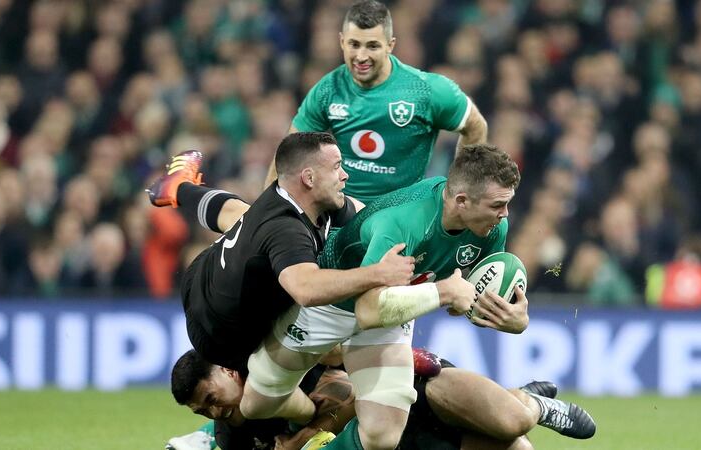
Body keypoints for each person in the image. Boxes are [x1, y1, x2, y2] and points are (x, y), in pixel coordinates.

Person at [242, 145, 595, 450]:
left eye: (507, 204)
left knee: (382, 436)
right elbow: (365, 308)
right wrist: (442, 293)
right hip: (332, 303)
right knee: (255, 405)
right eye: (498, 205)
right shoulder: (403, 222)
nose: (505, 216)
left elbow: (463, 301)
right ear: (460, 201)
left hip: (391, 310)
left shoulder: (490, 227)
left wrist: (511, 320)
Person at [146, 132, 416, 423]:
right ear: (309, 178)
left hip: (204, 275)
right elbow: (305, 289)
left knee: (244, 217)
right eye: (337, 166)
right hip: (221, 335)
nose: (345, 175)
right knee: (329, 352)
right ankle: (310, 420)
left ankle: (179, 188)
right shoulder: (287, 231)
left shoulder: (290, 196)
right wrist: (378, 273)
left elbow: (367, 217)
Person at [265, 0, 489, 203]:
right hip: (342, 217)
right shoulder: (328, 90)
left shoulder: (426, 90)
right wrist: (263, 220)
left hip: (402, 218)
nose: (361, 56)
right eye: (354, 45)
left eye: (372, 46)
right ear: (342, 42)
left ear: (390, 45)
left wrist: (462, 189)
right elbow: (288, 156)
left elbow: (476, 126)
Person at [167, 347, 593, 450]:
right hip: (407, 444)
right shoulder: (233, 436)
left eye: (210, 397)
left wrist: (305, 437)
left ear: (228, 371)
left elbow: (349, 393)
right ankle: (521, 395)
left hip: (415, 393)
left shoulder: (280, 363)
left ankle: (535, 406)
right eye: (203, 411)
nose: (214, 408)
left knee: (512, 424)